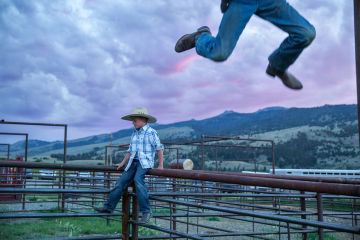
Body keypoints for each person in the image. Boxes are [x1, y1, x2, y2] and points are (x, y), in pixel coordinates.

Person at [175, 0, 316, 90]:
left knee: (306, 33)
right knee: (219, 53)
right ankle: (200, 38)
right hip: (242, 1)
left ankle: (277, 67)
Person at [93, 107, 164, 224]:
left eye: (135, 120)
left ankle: (146, 211)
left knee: (138, 180)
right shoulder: (134, 133)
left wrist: (161, 165)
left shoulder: (151, 132)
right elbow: (130, 150)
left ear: (143, 119)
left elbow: (159, 148)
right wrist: (123, 163)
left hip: (144, 163)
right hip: (133, 162)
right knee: (121, 182)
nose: (133, 122)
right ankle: (109, 207)